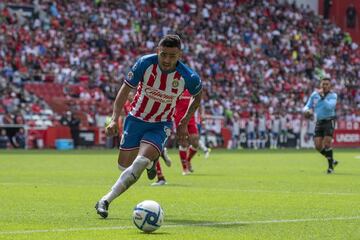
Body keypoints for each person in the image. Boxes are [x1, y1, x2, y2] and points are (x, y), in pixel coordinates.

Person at [95, 34, 202, 218]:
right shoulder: (144, 63)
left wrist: (183, 123)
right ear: (158, 51)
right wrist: (114, 118)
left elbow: (198, 96)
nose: (167, 60)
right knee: (123, 166)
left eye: (172, 56)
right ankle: (153, 161)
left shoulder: (189, 76)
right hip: (136, 118)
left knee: (140, 162)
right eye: (164, 55)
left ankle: (105, 200)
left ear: (180, 55)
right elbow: (125, 89)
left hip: (161, 124)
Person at [151, 90, 207, 186]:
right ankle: (184, 168)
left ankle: (188, 160)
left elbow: (198, 101)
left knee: (195, 142)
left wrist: (201, 114)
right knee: (183, 143)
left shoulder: (191, 87)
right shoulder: (177, 88)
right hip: (179, 119)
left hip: (191, 118)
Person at [303, 77, 338, 174]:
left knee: (327, 143)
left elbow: (330, 107)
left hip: (329, 120)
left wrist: (322, 97)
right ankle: (332, 161)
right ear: (320, 85)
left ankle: (330, 168)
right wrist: (306, 110)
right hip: (319, 121)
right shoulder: (314, 95)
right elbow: (307, 105)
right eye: (323, 84)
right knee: (318, 146)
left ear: (330, 86)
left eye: (327, 84)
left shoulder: (333, 95)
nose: (325, 86)